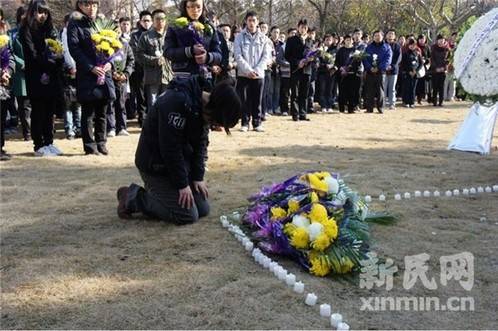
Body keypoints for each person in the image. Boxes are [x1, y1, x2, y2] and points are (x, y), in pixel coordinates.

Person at [116, 77, 241, 224]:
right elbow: (170, 148)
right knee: (187, 215)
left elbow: (201, 144)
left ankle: (162, 194)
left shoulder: (203, 107)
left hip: (176, 165)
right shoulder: (175, 102)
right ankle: (133, 197)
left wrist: (197, 177)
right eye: (215, 122)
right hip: (155, 165)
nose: (213, 126)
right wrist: (182, 185)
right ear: (212, 109)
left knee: (202, 208)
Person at [68, 0, 116, 155]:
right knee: (88, 112)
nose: (91, 8)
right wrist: (91, 67)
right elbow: (74, 49)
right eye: (87, 5)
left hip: (104, 72)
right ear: (80, 6)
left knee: (103, 111)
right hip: (87, 74)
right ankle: (89, 145)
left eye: (94, 5)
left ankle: (101, 142)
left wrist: (110, 63)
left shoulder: (103, 22)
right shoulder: (74, 24)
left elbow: (114, 45)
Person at [19, 0, 64, 157]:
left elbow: (58, 50)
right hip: (36, 76)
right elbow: (32, 55)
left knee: (50, 111)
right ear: (33, 12)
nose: (43, 15)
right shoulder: (26, 30)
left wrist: (57, 60)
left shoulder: (50, 29)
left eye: (45, 12)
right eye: (40, 12)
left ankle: (49, 142)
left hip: (51, 76)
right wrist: (48, 63)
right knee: (38, 111)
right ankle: (38, 144)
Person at [164, 0, 222, 82]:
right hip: (183, 78)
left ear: (203, 7)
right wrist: (190, 51)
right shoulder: (175, 26)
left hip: (205, 77)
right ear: (185, 7)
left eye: (198, 7)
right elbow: (167, 52)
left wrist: (207, 57)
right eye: (191, 7)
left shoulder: (209, 27)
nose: (195, 10)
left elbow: (218, 54)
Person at [234, 11, 272, 132]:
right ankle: (245, 123)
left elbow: (266, 56)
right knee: (244, 100)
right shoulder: (239, 37)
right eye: (249, 20)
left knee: (257, 100)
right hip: (243, 74)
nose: (251, 23)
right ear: (246, 21)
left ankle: (257, 123)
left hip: (258, 74)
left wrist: (256, 70)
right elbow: (238, 56)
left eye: (254, 20)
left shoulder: (264, 38)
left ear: (257, 22)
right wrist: (248, 70)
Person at [137, 9, 172, 114]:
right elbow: (139, 55)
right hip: (152, 77)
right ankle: (153, 128)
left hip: (168, 76)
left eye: (162, 19)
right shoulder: (145, 36)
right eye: (157, 19)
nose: (160, 21)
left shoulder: (170, 36)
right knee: (153, 104)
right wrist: (154, 60)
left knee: (167, 103)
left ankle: (165, 128)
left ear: (165, 21)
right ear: (153, 20)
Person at [9, 6, 31, 141]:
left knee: (36, 103)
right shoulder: (13, 33)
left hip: (35, 72)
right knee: (23, 106)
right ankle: (27, 132)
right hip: (20, 73)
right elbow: (9, 51)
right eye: (23, 15)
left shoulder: (35, 31)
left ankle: (36, 130)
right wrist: (21, 63)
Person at [285, 19, 314, 121]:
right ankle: (295, 114)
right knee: (295, 93)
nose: (303, 29)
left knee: (304, 93)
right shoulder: (291, 40)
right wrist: (298, 62)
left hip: (307, 70)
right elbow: (287, 56)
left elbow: (312, 54)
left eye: (305, 28)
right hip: (296, 70)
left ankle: (303, 113)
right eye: (301, 27)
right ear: (298, 27)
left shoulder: (310, 40)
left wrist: (311, 59)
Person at [108, 26, 135, 137]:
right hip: (110, 77)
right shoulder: (105, 45)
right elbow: (101, 60)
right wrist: (112, 72)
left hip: (122, 79)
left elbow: (131, 60)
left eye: (118, 31)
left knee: (121, 103)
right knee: (110, 103)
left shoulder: (125, 45)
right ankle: (111, 128)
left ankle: (122, 127)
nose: (116, 33)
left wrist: (126, 74)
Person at [129, 10, 151, 126]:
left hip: (153, 71)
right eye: (144, 20)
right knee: (141, 95)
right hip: (140, 70)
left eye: (148, 20)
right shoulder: (135, 36)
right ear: (140, 21)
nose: (146, 23)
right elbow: (135, 53)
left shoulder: (155, 34)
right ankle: (142, 118)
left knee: (151, 95)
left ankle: (151, 118)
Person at [61, 13, 81, 140]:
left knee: (79, 104)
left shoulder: (78, 34)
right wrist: (70, 67)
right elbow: (62, 53)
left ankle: (79, 127)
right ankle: (69, 128)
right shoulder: (61, 36)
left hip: (80, 72)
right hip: (66, 74)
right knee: (68, 104)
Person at [363, 30, 392, 114]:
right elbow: (365, 58)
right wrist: (369, 67)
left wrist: (379, 68)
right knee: (369, 90)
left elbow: (388, 59)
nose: (377, 37)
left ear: (382, 36)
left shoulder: (387, 47)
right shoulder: (368, 47)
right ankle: (369, 108)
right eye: (375, 36)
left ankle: (380, 107)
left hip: (381, 72)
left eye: (379, 36)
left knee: (380, 90)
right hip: (370, 72)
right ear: (373, 37)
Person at [335, 34, 363, 113]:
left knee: (352, 92)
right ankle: (341, 108)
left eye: (350, 40)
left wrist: (350, 67)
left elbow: (358, 62)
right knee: (342, 92)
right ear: (344, 41)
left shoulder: (356, 51)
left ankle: (351, 108)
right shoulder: (340, 50)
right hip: (342, 74)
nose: (348, 41)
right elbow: (336, 62)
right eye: (347, 40)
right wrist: (341, 68)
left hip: (352, 74)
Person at [1, 28, 15, 161]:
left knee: (2, 116)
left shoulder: (4, 39)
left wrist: (7, 72)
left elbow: (10, 57)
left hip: (3, 84)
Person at [317, 34, 337, 113]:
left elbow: (338, 61)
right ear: (324, 41)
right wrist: (325, 65)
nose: (328, 41)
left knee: (330, 90)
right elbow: (318, 62)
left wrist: (333, 66)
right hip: (322, 72)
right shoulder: (321, 50)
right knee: (322, 89)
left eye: (330, 40)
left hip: (332, 73)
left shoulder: (335, 50)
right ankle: (323, 106)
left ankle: (329, 105)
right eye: (327, 40)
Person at [400, 38, 423, 108]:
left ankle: (412, 102)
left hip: (415, 74)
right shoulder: (405, 53)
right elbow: (403, 64)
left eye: (413, 45)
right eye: (410, 45)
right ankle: (406, 102)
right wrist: (408, 71)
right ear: (408, 45)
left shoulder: (417, 53)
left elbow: (420, 63)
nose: (412, 46)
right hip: (407, 73)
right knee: (407, 88)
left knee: (413, 88)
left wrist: (416, 71)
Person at [384, 29, 401, 110]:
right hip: (383, 69)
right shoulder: (383, 45)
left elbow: (398, 58)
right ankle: (382, 103)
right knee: (383, 87)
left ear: (394, 36)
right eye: (389, 33)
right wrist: (385, 66)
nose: (390, 35)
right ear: (386, 35)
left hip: (394, 70)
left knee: (392, 88)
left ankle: (392, 104)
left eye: (392, 34)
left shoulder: (397, 46)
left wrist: (392, 66)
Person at [430, 34, 449, 107]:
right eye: (440, 40)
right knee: (435, 87)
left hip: (443, 71)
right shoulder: (433, 48)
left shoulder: (446, 49)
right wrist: (436, 68)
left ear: (444, 41)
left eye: (442, 40)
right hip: (435, 70)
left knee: (441, 87)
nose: (441, 41)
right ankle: (434, 101)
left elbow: (447, 60)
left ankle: (441, 102)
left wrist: (444, 68)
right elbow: (432, 59)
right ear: (437, 41)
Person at [276, 29, 291, 116]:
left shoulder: (298, 46)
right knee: (285, 92)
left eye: (294, 33)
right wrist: (287, 63)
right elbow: (278, 59)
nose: (293, 35)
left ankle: (293, 109)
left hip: (295, 73)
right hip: (285, 73)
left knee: (294, 93)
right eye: (291, 33)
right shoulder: (283, 47)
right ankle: (284, 109)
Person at [269, 26, 281, 114]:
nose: (276, 34)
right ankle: (269, 108)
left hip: (279, 71)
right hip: (270, 70)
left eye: (277, 32)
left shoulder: (282, 44)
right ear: (271, 32)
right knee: (270, 90)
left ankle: (276, 107)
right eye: (274, 32)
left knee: (277, 90)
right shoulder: (267, 42)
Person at [416, 34, 431, 104]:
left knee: (424, 84)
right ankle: (416, 97)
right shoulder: (416, 47)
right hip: (417, 66)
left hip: (424, 67)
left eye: (423, 39)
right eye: (420, 39)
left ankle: (421, 98)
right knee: (417, 83)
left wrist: (426, 61)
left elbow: (429, 57)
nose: (422, 40)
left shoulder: (427, 47)